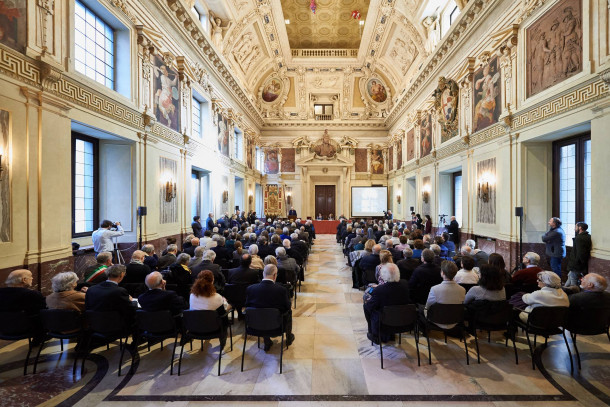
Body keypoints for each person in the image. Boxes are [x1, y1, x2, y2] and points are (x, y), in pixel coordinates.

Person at [245, 264, 295, 351]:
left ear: (263, 274)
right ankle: (289, 338)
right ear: (275, 275)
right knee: (288, 312)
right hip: (277, 327)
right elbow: (287, 306)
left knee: (261, 313)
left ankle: (267, 342)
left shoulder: (250, 289)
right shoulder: (281, 290)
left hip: (255, 326)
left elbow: (247, 305)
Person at [363, 263, 410, 344]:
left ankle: (373, 334)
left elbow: (369, 306)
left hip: (384, 323)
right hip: (404, 322)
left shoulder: (380, 290)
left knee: (366, 306)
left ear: (384, 275)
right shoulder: (405, 284)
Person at [424, 261, 466, 329]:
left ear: (442, 273)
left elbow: (428, 306)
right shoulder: (462, 290)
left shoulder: (435, 289)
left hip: (436, 320)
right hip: (455, 319)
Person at [566, 222, 592, 287]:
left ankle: (573, 294)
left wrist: (578, 263)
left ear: (580, 228)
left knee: (573, 281)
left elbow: (580, 252)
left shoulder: (579, 238)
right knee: (570, 276)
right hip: (577, 264)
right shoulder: (588, 236)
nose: (574, 229)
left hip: (576, 265)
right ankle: (563, 290)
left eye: (575, 227)